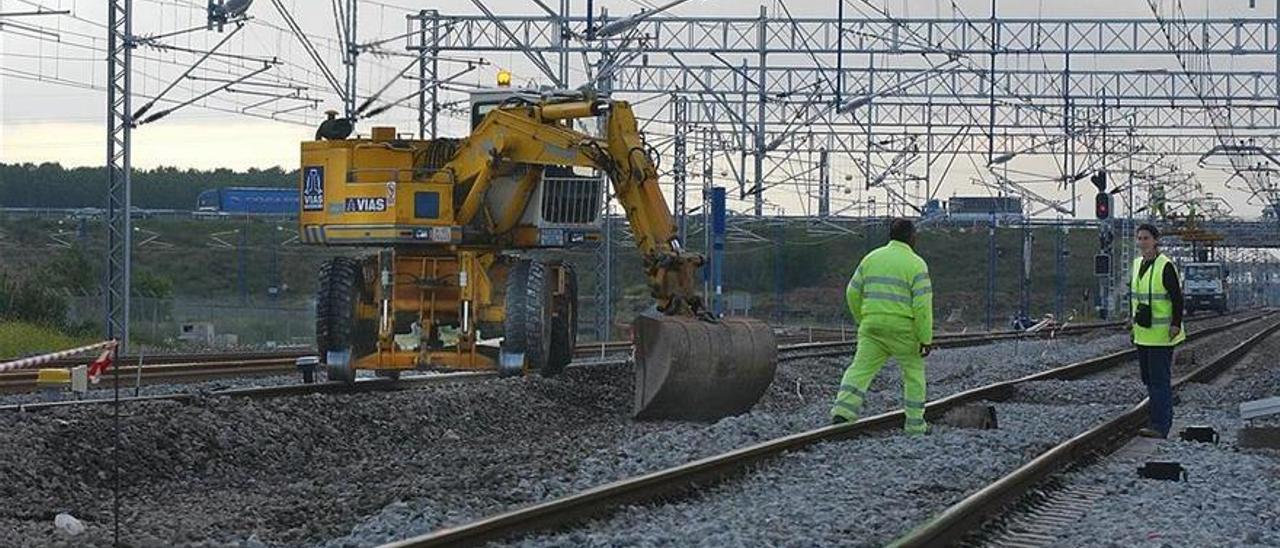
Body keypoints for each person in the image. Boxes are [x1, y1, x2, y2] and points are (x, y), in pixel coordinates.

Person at [830, 218, 933, 435]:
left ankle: (843, 412)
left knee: (859, 369)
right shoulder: (916, 264)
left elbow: (852, 292)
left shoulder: (871, 259)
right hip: (904, 330)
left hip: (872, 327)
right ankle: (915, 426)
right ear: (912, 237)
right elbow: (922, 307)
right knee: (913, 374)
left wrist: (863, 318)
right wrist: (925, 339)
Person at [1130, 223, 1185, 438]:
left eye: (1146, 238)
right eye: (1139, 238)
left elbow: (1177, 298)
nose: (1142, 242)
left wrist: (1175, 324)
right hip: (1143, 333)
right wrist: (1131, 323)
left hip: (1162, 335)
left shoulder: (1165, 266)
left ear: (1155, 241)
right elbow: (1134, 298)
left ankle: (1161, 425)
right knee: (1148, 380)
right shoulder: (1136, 265)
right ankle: (1156, 420)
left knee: (1159, 381)